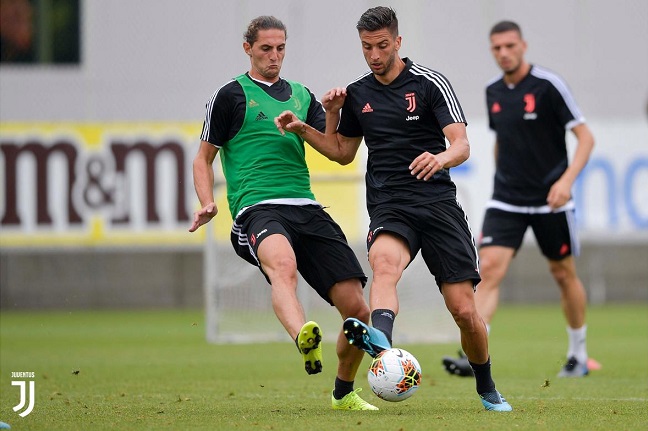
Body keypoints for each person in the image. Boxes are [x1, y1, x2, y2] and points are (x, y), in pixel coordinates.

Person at [275, 6, 512, 412]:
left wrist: (440, 159)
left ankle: (487, 386)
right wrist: (310, 126)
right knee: (384, 264)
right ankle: (382, 342)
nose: (374, 55)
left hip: (438, 205)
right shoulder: (359, 93)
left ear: (398, 42)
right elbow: (342, 153)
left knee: (464, 310)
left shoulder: (430, 84)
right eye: (367, 47)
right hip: (390, 205)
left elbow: (461, 144)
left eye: (382, 46)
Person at [189, 15, 378, 411]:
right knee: (283, 266)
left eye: (280, 49)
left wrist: (329, 112)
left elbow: (338, 154)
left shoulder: (301, 94)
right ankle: (303, 336)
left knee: (358, 309)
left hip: (306, 207)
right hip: (257, 209)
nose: (274, 56)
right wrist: (207, 201)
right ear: (248, 49)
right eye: (265, 49)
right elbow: (202, 159)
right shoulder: (230, 95)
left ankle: (343, 393)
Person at [442, 20, 595, 378]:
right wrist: (502, 178)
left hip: (550, 200)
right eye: (497, 48)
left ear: (523, 46)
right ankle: (474, 353)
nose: (504, 53)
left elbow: (585, 138)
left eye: (510, 46)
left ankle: (578, 355)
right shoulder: (494, 91)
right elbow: (502, 141)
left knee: (562, 273)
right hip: (507, 199)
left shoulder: (548, 86)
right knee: (489, 270)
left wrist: (567, 181)